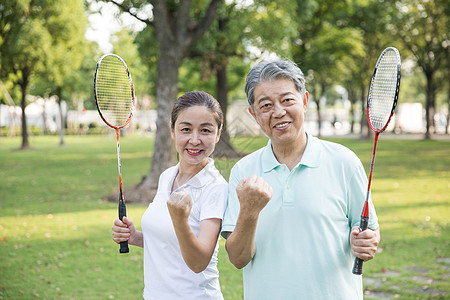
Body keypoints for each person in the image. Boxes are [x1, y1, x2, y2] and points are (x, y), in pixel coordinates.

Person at [221, 59, 380, 299]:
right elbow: (238, 258)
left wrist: (367, 242)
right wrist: (250, 211)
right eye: (266, 105)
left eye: (287, 100)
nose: (278, 112)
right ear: (254, 114)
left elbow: (370, 231)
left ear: (304, 101)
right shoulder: (243, 171)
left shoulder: (344, 161)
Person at [112, 91, 228, 300]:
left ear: (218, 134)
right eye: (186, 129)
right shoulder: (167, 176)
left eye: (205, 130)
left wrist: (180, 220)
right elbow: (169, 242)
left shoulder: (216, 188)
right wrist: (135, 237)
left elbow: (198, 262)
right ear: (173, 131)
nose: (195, 140)